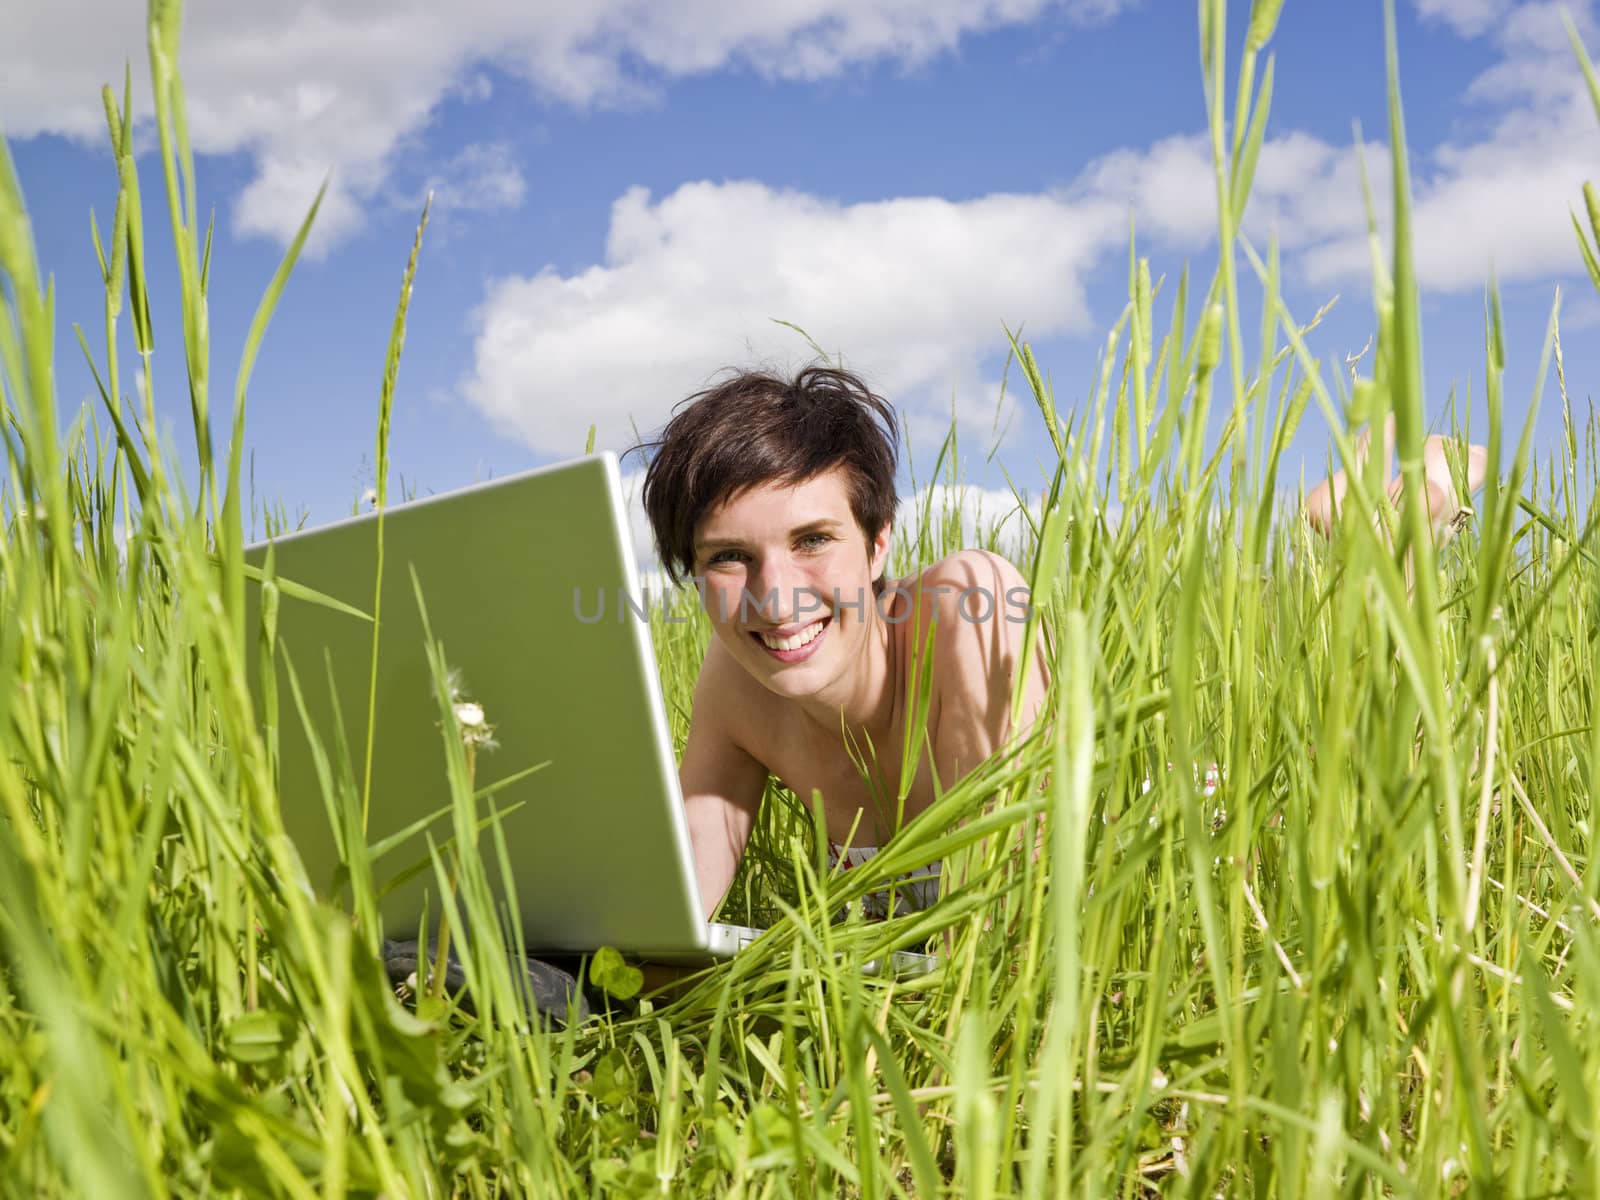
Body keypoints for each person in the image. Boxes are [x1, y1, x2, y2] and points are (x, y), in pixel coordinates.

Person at [635, 366, 1053, 924]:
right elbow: (673, 915)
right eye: (728, 557)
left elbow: (1006, 933)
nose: (776, 603)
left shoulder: (971, 606)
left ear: (877, 544)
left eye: (812, 540)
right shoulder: (737, 680)